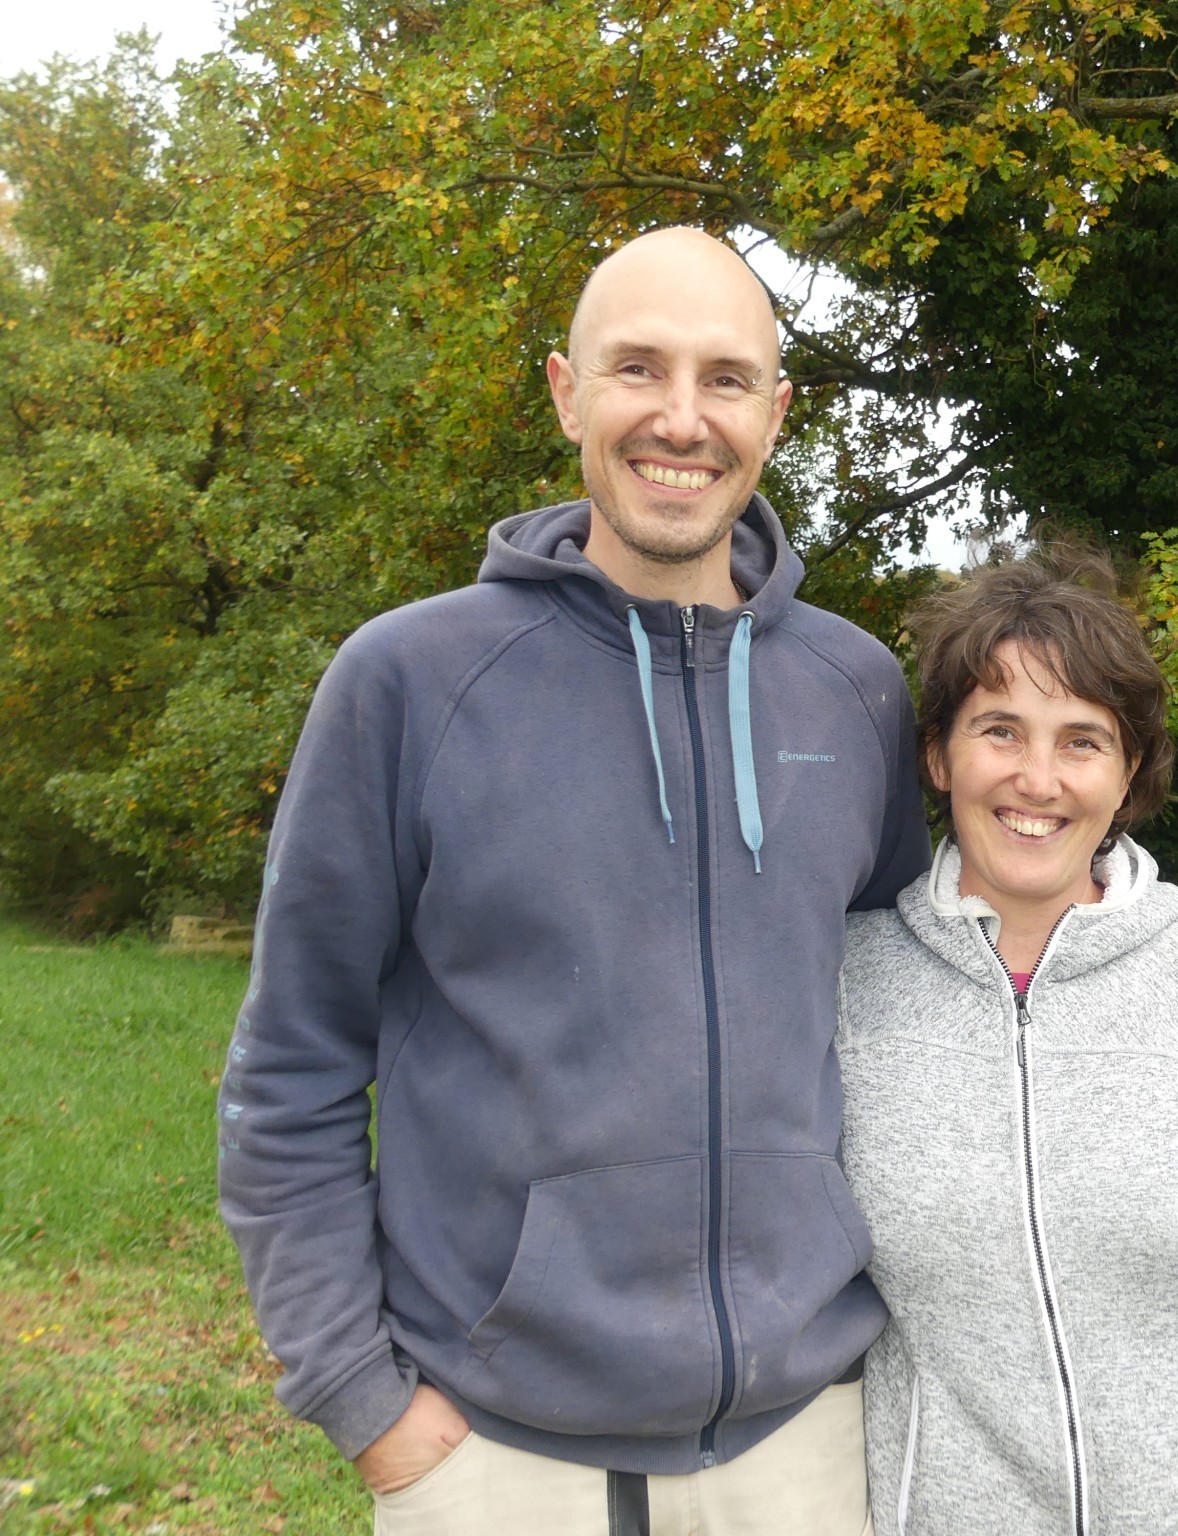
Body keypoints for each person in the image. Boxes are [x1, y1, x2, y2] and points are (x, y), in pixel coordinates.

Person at [217, 227, 928, 1536]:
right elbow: (291, 1066)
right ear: (565, 392)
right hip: (490, 1454)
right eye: (636, 369)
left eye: (724, 378)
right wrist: (362, 1401)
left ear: (775, 413)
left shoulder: (856, 691)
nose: (679, 418)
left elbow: (911, 1009)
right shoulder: (411, 684)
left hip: (806, 1446)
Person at [836, 554, 1178, 1536]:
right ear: (939, 756)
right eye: (999, 730)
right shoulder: (846, 987)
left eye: (1081, 741)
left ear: (1127, 774)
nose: (1036, 779)